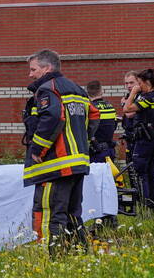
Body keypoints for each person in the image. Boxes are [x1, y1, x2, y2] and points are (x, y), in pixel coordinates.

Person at [23, 49, 99, 257]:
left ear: (47, 68)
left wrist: (38, 148)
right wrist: (82, 141)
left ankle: (51, 258)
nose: (30, 74)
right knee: (73, 214)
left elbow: (53, 117)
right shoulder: (77, 90)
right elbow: (94, 116)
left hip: (55, 165)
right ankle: (79, 254)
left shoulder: (48, 90)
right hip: (77, 163)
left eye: (33, 69)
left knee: (50, 213)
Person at [123, 68, 154, 212]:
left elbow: (127, 109)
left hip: (145, 140)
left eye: (140, 83)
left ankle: (144, 207)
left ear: (147, 82)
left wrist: (133, 93)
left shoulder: (148, 97)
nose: (139, 86)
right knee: (153, 174)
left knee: (140, 173)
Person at [86, 80, 118, 163]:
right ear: (101, 91)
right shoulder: (110, 107)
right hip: (109, 150)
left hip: (94, 151)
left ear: (88, 93)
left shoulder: (89, 108)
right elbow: (114, 126)